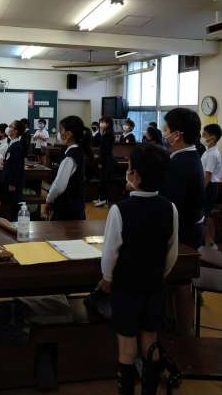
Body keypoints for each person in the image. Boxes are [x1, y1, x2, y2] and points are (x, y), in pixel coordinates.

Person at [98, 144, 178, 395]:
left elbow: (110, 253)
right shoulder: (170, 208)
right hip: (154, 286)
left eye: (130, 169)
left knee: (127, 344)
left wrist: (107, 278)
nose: (128, 173)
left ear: (136, 177)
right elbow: (171, 252)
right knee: (150, 340)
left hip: (125, 287)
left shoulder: (119, 209)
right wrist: (159, 275)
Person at [160, 108, 205, 249]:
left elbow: (170, 205)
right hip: (190, 229)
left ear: (177, 135)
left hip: (183, 235)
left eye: (166, 130)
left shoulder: (179, 164)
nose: (163, 134)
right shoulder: (190, 156)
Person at [45, 116, 86, 220]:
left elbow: (59, 186)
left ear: (69, 134)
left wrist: (49, 199)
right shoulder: (77, 151)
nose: (59, 133)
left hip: (67, 209)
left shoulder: (70, 157)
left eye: (61, 130)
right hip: (74, 206)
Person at [201, 124, 222, 249]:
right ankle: (207, 240)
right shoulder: (208, 151)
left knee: (207, 215)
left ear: (212, 138)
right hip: (208, 186)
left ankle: (211, 241)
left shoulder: (213, 154)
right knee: (205, 214)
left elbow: (208, 175)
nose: (202, 137)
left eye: (204, 135)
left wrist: (201, 190)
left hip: (210, 187)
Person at [1, 120, 25, 220]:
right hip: (8, 180)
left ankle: (14, 224)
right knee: (10, 205)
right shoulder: (12, 144)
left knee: (14, 206)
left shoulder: (16, 146)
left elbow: (16, 167)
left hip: (13, 183)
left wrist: (12, 183)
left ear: (15, 131)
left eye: (10, 126)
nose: (8, 128)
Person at [94, 116, 115, 207]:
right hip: (106, 158)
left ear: (108, 124)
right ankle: (101, 198)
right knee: (102, 179)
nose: (101, 124)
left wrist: (100, 161)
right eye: (101, 122)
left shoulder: (107, 135)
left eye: (103, 122)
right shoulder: (105, 133)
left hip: (106, 159)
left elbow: (104, 150)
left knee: (104, 180)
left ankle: (103, 199)